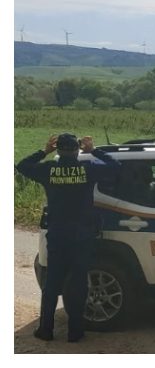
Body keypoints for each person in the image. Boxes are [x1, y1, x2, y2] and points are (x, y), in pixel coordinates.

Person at [15, 133, 121, 342]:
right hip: (82, 235)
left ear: (59, 150)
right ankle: (75, 331)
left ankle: (46, 330)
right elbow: (116, 166)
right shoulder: (87, 169)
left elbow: (22, 166)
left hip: (58, 235)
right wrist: (94, 151)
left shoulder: (48, 170)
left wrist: (45, 151)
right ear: (77, 150)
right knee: (79, 284)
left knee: (52, 285)